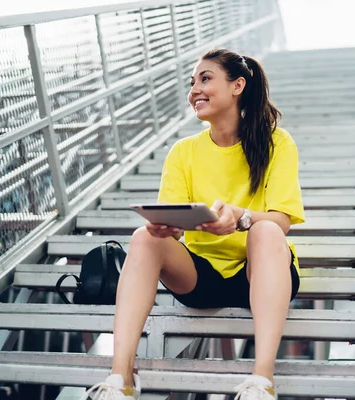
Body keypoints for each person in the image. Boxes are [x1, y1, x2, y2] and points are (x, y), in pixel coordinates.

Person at [83, 48, 305, 400]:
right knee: (143, 237)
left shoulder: (278, 142)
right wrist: (164, 228)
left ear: (237, 86)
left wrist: (240, 218)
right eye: (192, 83)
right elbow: (170, 215)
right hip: (201, 277)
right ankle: (121, 379)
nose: (194, 90)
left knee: (265, 229)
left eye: (205, 79)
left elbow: (281, 221)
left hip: (262, 273)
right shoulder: (183, 152)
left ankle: (262, 381)